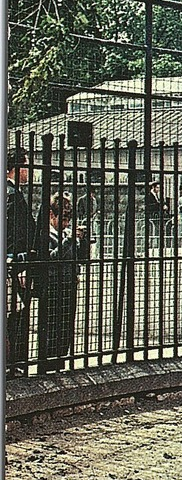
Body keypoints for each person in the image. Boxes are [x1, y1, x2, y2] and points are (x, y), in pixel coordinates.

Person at [35, 193, 88, 372]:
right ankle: (46, 366)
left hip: (68, 285)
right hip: (52, 286)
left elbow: (80, 259)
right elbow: (50, 259)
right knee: (51, 329)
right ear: (51, 215)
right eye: (63, 219)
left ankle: (60, 363)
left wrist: (82, 240)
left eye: (68, 220)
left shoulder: (66, 233)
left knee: (66, 329)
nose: (66, 224)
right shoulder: (43, 234)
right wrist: (70, 240)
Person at [6, 147, 36, 375]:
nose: (29, 171)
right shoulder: (11, 195)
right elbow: (12, 235)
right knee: (15, 316)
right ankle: (13, 365)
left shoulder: (12, 192)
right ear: (15, 169)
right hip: (15, 265)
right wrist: (18, 267)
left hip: (15, 263)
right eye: (26, 166)